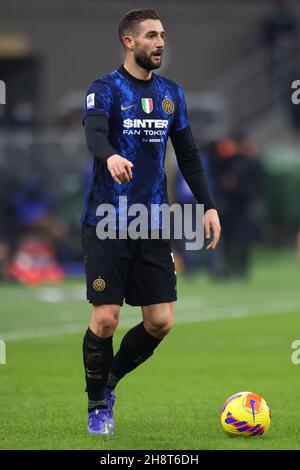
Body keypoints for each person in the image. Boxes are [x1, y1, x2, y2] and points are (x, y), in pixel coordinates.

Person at [81, 8, 221, 436]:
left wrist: (208, 205)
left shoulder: (171, 94)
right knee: (105, 318)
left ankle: (109, 379)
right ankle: (98, 405)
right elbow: (94, 133)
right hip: (108, 220)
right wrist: (111, 156)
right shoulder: (105, 89)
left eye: (162, 35)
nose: (160, 42)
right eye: (151, 36)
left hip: (154, 222)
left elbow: (190, 155)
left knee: (160, 322)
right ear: (129, 41)